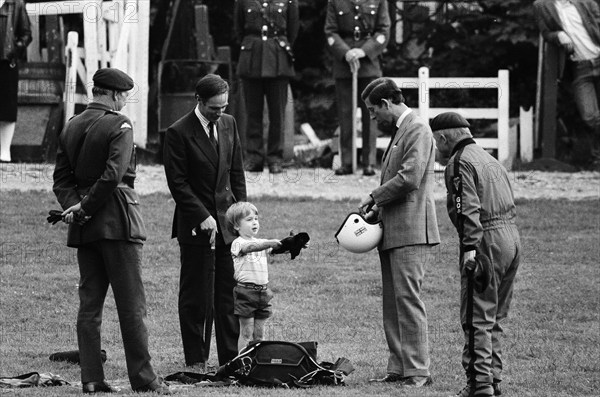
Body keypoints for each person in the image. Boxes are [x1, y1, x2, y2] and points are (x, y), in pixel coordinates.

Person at [52, 68, 170, 394]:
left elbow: (61, 180)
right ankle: (145, 380)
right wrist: (87, 207)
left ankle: (91, 379)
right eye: (124, 97)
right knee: (132, 306)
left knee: (89, 307)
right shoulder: (120, 124)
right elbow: (114, 174)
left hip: (84, 227)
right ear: (116, 96)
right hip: (118, 221)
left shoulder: (71, 125)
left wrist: (77, 207)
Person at [430, 112, 521, 397]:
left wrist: (470, 250)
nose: (436, 148)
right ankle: (493, 379)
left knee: (476, 316)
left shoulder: (459, 163)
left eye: (436, 142)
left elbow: (466, 207)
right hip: (511, 240)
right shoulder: (489, 158)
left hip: (485, 242)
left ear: (443, 137)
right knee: (494, 316)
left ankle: (479, 385)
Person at [358, 78, 440, 387]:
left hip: (411, 229)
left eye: (372, 110)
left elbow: (409, 178)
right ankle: (399, 367)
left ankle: (418, 371)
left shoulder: (417, 129)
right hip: (394, 227)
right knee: (393, 302)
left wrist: (374, 197)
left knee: (408, 300)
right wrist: (378, 209)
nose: (372, 117)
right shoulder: (400, 132)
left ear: (386, 104)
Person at [163, 74, 247, 369]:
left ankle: (229, 359)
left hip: (227, 226)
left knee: (228, 296)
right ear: (199, 101)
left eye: (224, 106)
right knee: (196, 297)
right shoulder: (178, 132)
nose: (220, 112)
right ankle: (196, 360)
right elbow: (178, 183)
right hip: (196, 226)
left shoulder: (229, 124)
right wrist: (203, 216)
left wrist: (241, 215)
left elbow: (236, 172)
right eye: (214, 108)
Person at [324, 0, 390, 176]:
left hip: (369, 63)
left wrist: (364, 51)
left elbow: (383, 30)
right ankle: (346, 161)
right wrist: (346, 52)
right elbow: (330, 31)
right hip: (344, 63)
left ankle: (368, 162)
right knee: (345, 114)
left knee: (372, 114)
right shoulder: (335, 2)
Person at [234, 0, 299, 174]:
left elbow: (292, 30)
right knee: (252, 112)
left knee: (277, 113)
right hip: (251, 57)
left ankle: (275, 158)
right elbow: (239, 29)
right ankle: (254, 157)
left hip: (278, 58)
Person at [534, 0, 600, 135]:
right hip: (580, 67)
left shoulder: (587, 2)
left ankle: (596, 156)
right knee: (590, 116)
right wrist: (558, 35)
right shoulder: (541, 5)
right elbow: (546, 33)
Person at [225, 202, 282, 352]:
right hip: (246, 293)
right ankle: (242, 363)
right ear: (237, 226)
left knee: (259, 334)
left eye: (256, 218)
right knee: (246, 332)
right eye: (249, 219)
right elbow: (249, 248)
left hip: (263, 293)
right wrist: (268, 243)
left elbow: (278, 249)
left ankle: (258, 363)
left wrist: (296, 243)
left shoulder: (260, 242)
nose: (255, 222)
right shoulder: (237, 243)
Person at [0, 0, 31, 163]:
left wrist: (15, 49)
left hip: (7, 63)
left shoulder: (16, 4)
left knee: (8, 107)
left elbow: (26, 34)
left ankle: (4, 152)